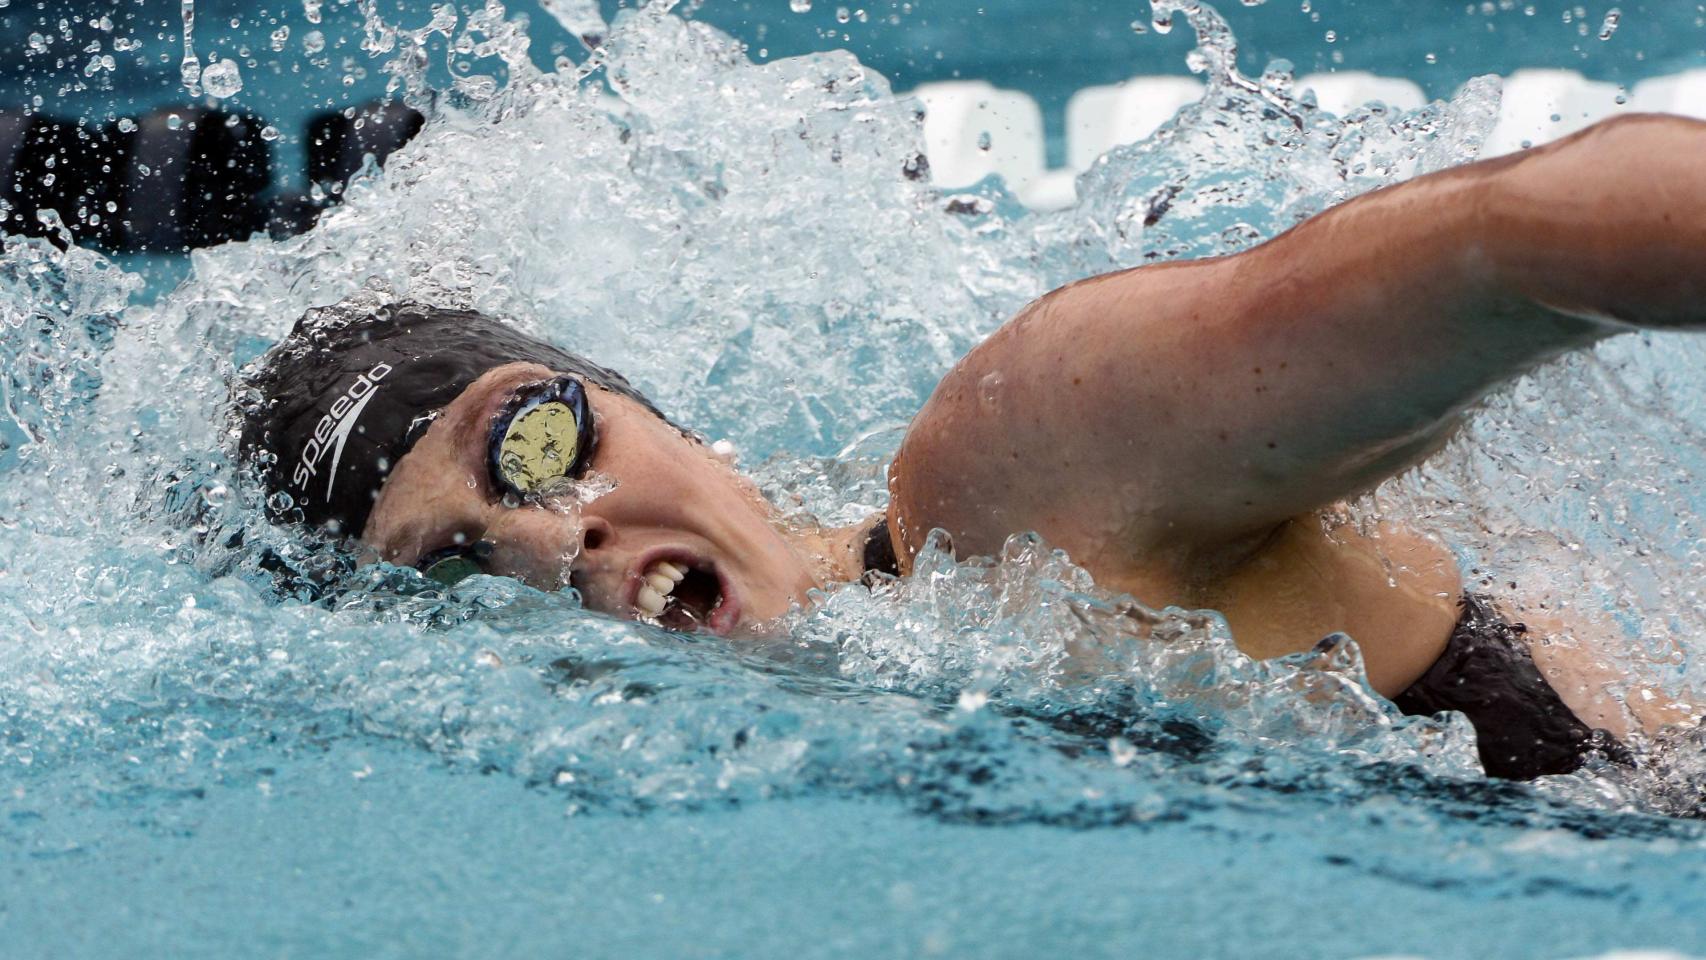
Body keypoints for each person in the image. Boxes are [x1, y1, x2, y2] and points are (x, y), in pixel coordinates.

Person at [237, 113, 1706, 781]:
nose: (553, 540)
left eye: (535, 443)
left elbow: (1516, 240)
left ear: (650, 406)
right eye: (452, 569)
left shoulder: (1017, 480)